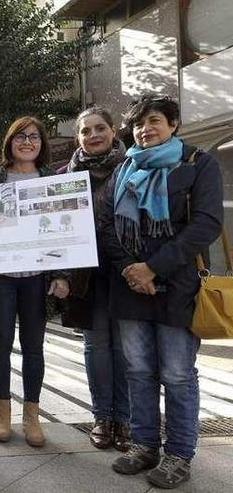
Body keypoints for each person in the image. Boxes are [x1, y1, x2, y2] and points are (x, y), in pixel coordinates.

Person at [101, 95, 222, 489]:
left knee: (177, 373)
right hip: (130, 287)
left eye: (153, 120)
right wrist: (131, 270)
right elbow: (108, 227)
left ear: (173, 124)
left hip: (178, 287)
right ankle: (144, 445)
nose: (144, 129)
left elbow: (206, 224)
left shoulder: (197, 164)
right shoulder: (124, 168)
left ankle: (179, 454)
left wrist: (153, 267)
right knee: (137, 371)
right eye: (137, 124)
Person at [0, 116, 69, 448]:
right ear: (9, 141)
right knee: (0, 344)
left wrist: (61, 274)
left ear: (42, 144)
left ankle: (32, 416)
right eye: (20, 137)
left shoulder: (51, 180)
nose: (27, 142)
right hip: (2, 279)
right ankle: (2, 412)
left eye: (34, 137)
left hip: (36, 280)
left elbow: (63, 232)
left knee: (34, 347)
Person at [62, 107, 130, 451]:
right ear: (78, 138)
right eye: (85, 131)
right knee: (96, 346)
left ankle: (125, 419)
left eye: (99, 128)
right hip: (85, 276)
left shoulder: (132, 167)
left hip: (125, 272)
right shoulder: (65, 176)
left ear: (113, 129)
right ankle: (102, 416)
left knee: (125, 348)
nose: (93, 136)